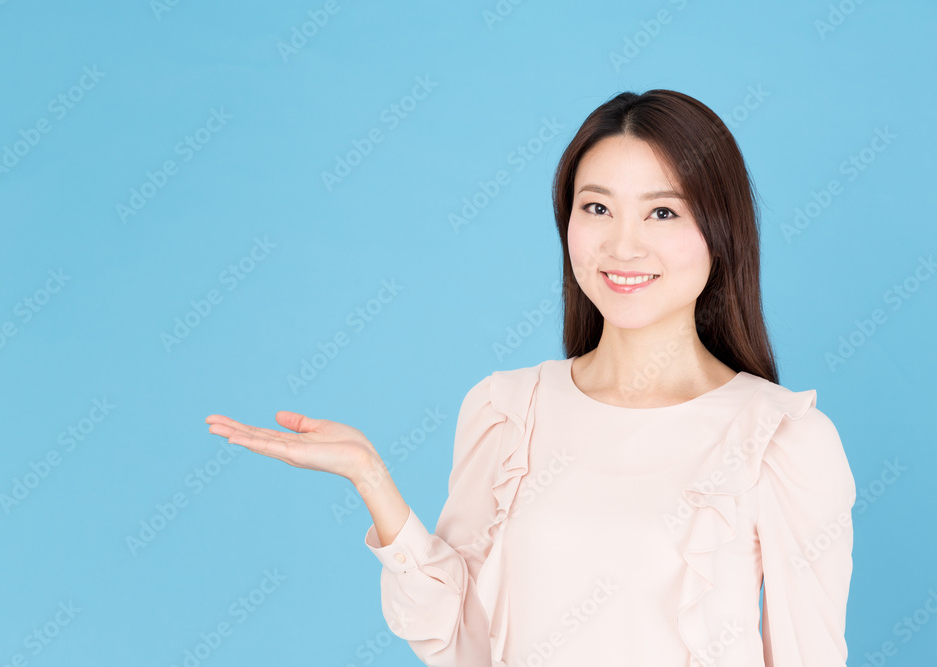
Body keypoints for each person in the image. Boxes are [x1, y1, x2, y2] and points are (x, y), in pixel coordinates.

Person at [205, 89, 857, 667]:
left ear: (721, 229)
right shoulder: (507, 409)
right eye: (597, 207)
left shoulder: (781, 440)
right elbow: (464, 647)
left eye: (663, 212)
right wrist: (373, 480)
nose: (622, 245)